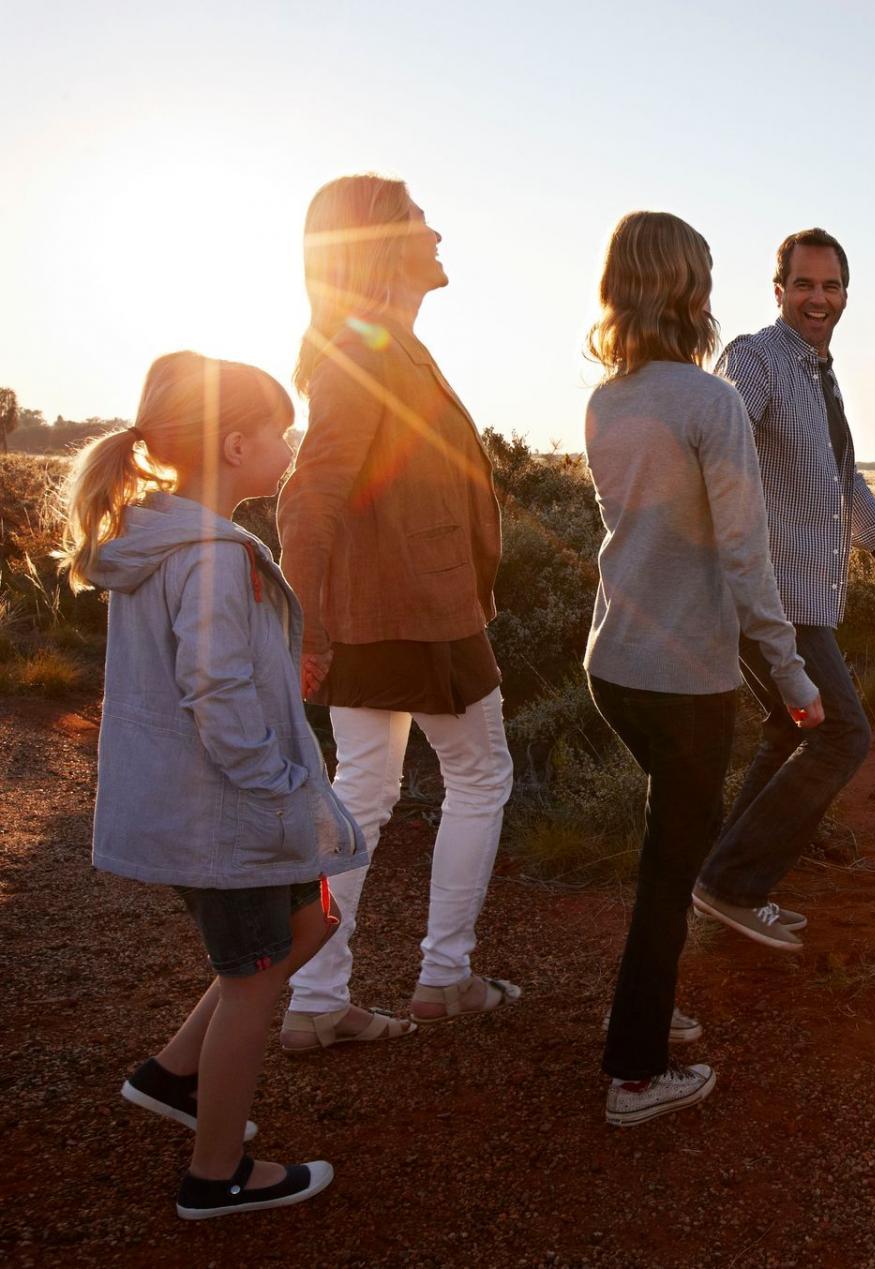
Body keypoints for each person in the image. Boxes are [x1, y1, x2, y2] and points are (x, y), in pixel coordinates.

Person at [67, 352, 367, 1218]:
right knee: (255, 977)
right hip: (226, 812)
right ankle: (217, 1174)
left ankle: (174, 1074)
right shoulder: (209, 554)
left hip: (212, 806)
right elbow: (217, 690)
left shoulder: (166, 538)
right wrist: (275, 786)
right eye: (279, 432)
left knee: (309, 921)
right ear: (237, 444)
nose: (290, 445)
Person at [581, 210, 824, 1125]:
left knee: (667, 849)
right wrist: (794, 681)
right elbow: (745, 558)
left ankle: (647, 1010)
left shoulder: (611, 396)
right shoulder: (709, 402)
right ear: (690, 288)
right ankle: (635, 1073)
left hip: (614, 662)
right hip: (684, 677)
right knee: (666, 865)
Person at [276, 174, 517, 1050]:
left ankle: (315, 999)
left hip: (380, 611)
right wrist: (307, 624)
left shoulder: (376, 343)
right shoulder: (368, 350)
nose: (436, 231)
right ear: (381, 243)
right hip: (418, 611)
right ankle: (444, 977)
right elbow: (309, 499)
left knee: (364, 794)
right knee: (481, 775)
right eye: (419, 218)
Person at [691, 228, 875, 951]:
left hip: (805, 593)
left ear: (845, 295)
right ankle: (732, 883)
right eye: (804, 284)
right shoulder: (756, 358)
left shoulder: (819, 374)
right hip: (768, 596)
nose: (817, 298)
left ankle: (724, 879)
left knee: (790, 729)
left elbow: (841, 480)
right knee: (840, 733)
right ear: (778, 290)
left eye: (830, 286)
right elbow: (721, 445)